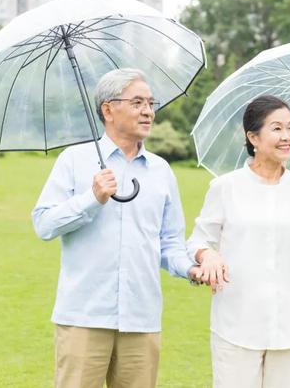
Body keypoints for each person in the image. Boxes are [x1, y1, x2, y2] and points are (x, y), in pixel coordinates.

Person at [32, 68, 205, 388]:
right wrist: (91, 199)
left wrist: (190, 270)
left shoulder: (161, 171)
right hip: (83, 317)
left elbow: (169, 243)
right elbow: (43, 224)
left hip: (142, 318)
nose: (148, 111)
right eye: (137, 102)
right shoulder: (74, 160)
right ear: (107, 110)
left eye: (151, 103)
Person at [186, 95, 290, 388]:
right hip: (236, 325)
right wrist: (207, 255)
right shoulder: (226, 187)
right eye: (276, 128)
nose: (287, 137)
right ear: (252, 137)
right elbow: (198, 239)